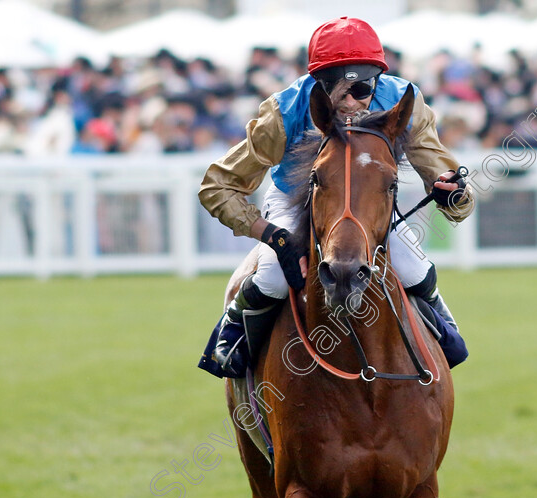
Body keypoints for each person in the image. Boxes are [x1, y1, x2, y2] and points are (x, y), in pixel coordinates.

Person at [199, 17, 475, 378]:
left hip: (367, 197)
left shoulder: (405, 103)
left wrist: (452, 194)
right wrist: (272, 235)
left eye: (360, 88)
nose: (348, 101)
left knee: (411, 266)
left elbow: (444, 176)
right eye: (335, 86)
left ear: (376, 81)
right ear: (317, 83)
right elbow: (217, 186)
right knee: (271, 276)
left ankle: (443, 328)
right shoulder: (283, 112)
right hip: (294, 196)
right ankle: (230, 337)